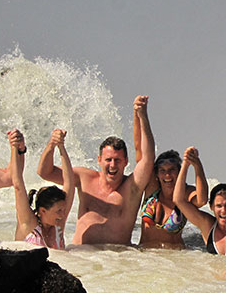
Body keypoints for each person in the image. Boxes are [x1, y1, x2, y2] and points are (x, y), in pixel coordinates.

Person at [37, 96, 156, 245]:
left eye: (117, 160)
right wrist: (52, 145)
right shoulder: (85, 178)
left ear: (126, 162)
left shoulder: (131, 188)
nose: (113, 165)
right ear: (99, 160)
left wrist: (142, 116)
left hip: (119, 261)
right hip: (82, 257)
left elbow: (148, 158)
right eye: (108, 160)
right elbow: (44, 172)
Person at [132, 110, 208, 248]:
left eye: (172, 170)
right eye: (162, 171)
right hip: (146, 259)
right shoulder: (151, 188)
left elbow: (202, 200)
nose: (167, 175)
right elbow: (141, 152)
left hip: (174, 261)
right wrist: (139, 114)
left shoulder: (185, 193)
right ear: (157, 174)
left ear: (179, 173)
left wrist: (197, 165)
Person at [9, 128, 74, 249]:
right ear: (43, 211)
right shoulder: (28, 223)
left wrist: (61, 147)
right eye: (59, 211)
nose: (63, 214)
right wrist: (14, 147)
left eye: (63, 210)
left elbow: (70, 183)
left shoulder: (58, 225)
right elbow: (18, 184)